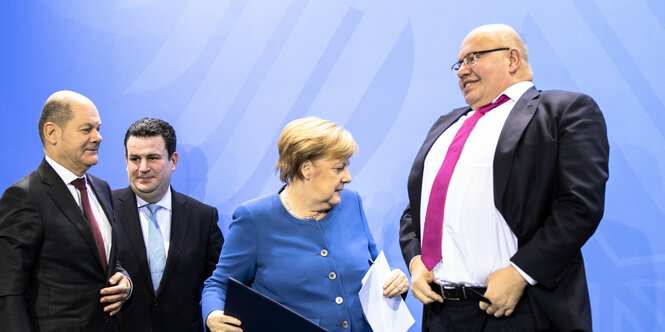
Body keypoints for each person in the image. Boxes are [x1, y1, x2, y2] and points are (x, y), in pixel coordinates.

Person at [399, 24, 609, 331]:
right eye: (459, 64)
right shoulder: (445, 124)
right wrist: (416, 261)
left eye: (473, 58)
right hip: (442, 314)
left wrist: (521, 272)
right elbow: (415, 210)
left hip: (521, 310)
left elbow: (579, 204)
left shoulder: (563, 111)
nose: (461, 71)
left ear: (512, 59)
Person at [202, 117, 409, 332]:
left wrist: (394, 280)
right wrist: (213, 314)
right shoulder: (254, 219)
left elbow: (373, 267)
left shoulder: (352, 202)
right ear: (306, 168)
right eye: (339, 168)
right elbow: (218, 286)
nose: (347, 177)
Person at [0, 90, 132, 331]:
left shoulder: (101, 189)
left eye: (98, 128)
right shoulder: (24, 196)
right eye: (86, 129)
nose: (98, 137)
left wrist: (124, 280)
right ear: (52, 133)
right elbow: (9, 290)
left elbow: (99, 259)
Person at [113, 118, 224, 331]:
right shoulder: (104, 210)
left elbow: (217, 285)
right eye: (135, 158)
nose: (142, 168)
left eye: (152, 158)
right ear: (126, 160)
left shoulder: (203, 218)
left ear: (173, 161)